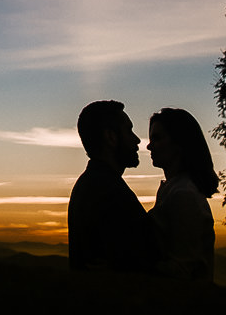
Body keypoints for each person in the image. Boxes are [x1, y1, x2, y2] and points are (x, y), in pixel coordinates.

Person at [68, 100, 161, 272]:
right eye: (129, 131)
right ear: (111, 137)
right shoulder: (110, 192)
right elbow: (143, 259)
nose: (137, 140)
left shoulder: (90, 184)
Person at [146, 107, 219, 281]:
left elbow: (182, 269)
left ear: (179, 144)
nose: (148, 146)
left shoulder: (183, 194)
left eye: (157, 138)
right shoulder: (173, 190)